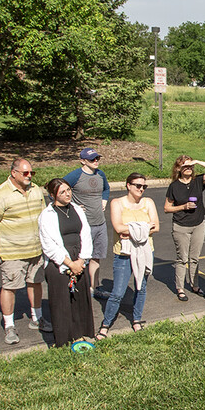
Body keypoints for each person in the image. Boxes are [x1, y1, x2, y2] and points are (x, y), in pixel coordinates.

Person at [0, 158, 50, 345]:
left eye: (31, 172)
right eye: (25, 173)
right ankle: (9, 325)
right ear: (13, 173)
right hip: (12, 252)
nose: (29, 176)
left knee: (35, 283)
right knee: (10, 287)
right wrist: (4, 245)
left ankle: (36, 319)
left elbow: (44, 217)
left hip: (36, 250)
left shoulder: (36, 190)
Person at [98, 173, 160, 338]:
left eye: (144, 186)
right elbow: (118, 228)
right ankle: (105, 324)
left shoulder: (148, 202)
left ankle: (136, 319)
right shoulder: (117, 203)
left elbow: (156, 227)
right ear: (128, 186)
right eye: (138, 186)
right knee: (118, 292)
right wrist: (144, 228)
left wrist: (131, 230)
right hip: (123, 253)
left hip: (146, 251)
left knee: (141, 287)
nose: (141, 189)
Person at [38, 178, 95, 347]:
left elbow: (86, 233)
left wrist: (81, 260)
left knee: (79, 299)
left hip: (79, 258)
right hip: (59, 262)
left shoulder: (76, 209)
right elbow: (48, 245)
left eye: (69, 190)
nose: (68, 194)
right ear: (53, 195)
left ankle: (79, 335)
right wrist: (69, 264)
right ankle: (63, 339)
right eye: (62, 192)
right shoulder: (47, 215)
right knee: (61, 302)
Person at [163, 156, 205, 302]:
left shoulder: (198, 181)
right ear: (178, 169)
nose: (188, 168)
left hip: (199, 224)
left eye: (190, 166)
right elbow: (167, 208)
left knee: (194, 258)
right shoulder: (174, 186)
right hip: (181, 226)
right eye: (184, 166)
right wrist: (183, 207)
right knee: (182, 259)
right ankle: (180, 288)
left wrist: (198, 161)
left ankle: (195, 285)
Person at [63, 149, 110, 299]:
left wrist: (104, 200)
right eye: (92, 159)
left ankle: (93, 288)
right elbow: (57, 189)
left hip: (100, 223)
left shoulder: (100, 174)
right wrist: (71, 205)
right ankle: (77, 288)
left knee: (96, 257)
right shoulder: (75, 176)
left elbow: (106, 189)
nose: (96, 161)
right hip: (84, 226)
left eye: (97, 158)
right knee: (81, 258)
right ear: (83, 161)